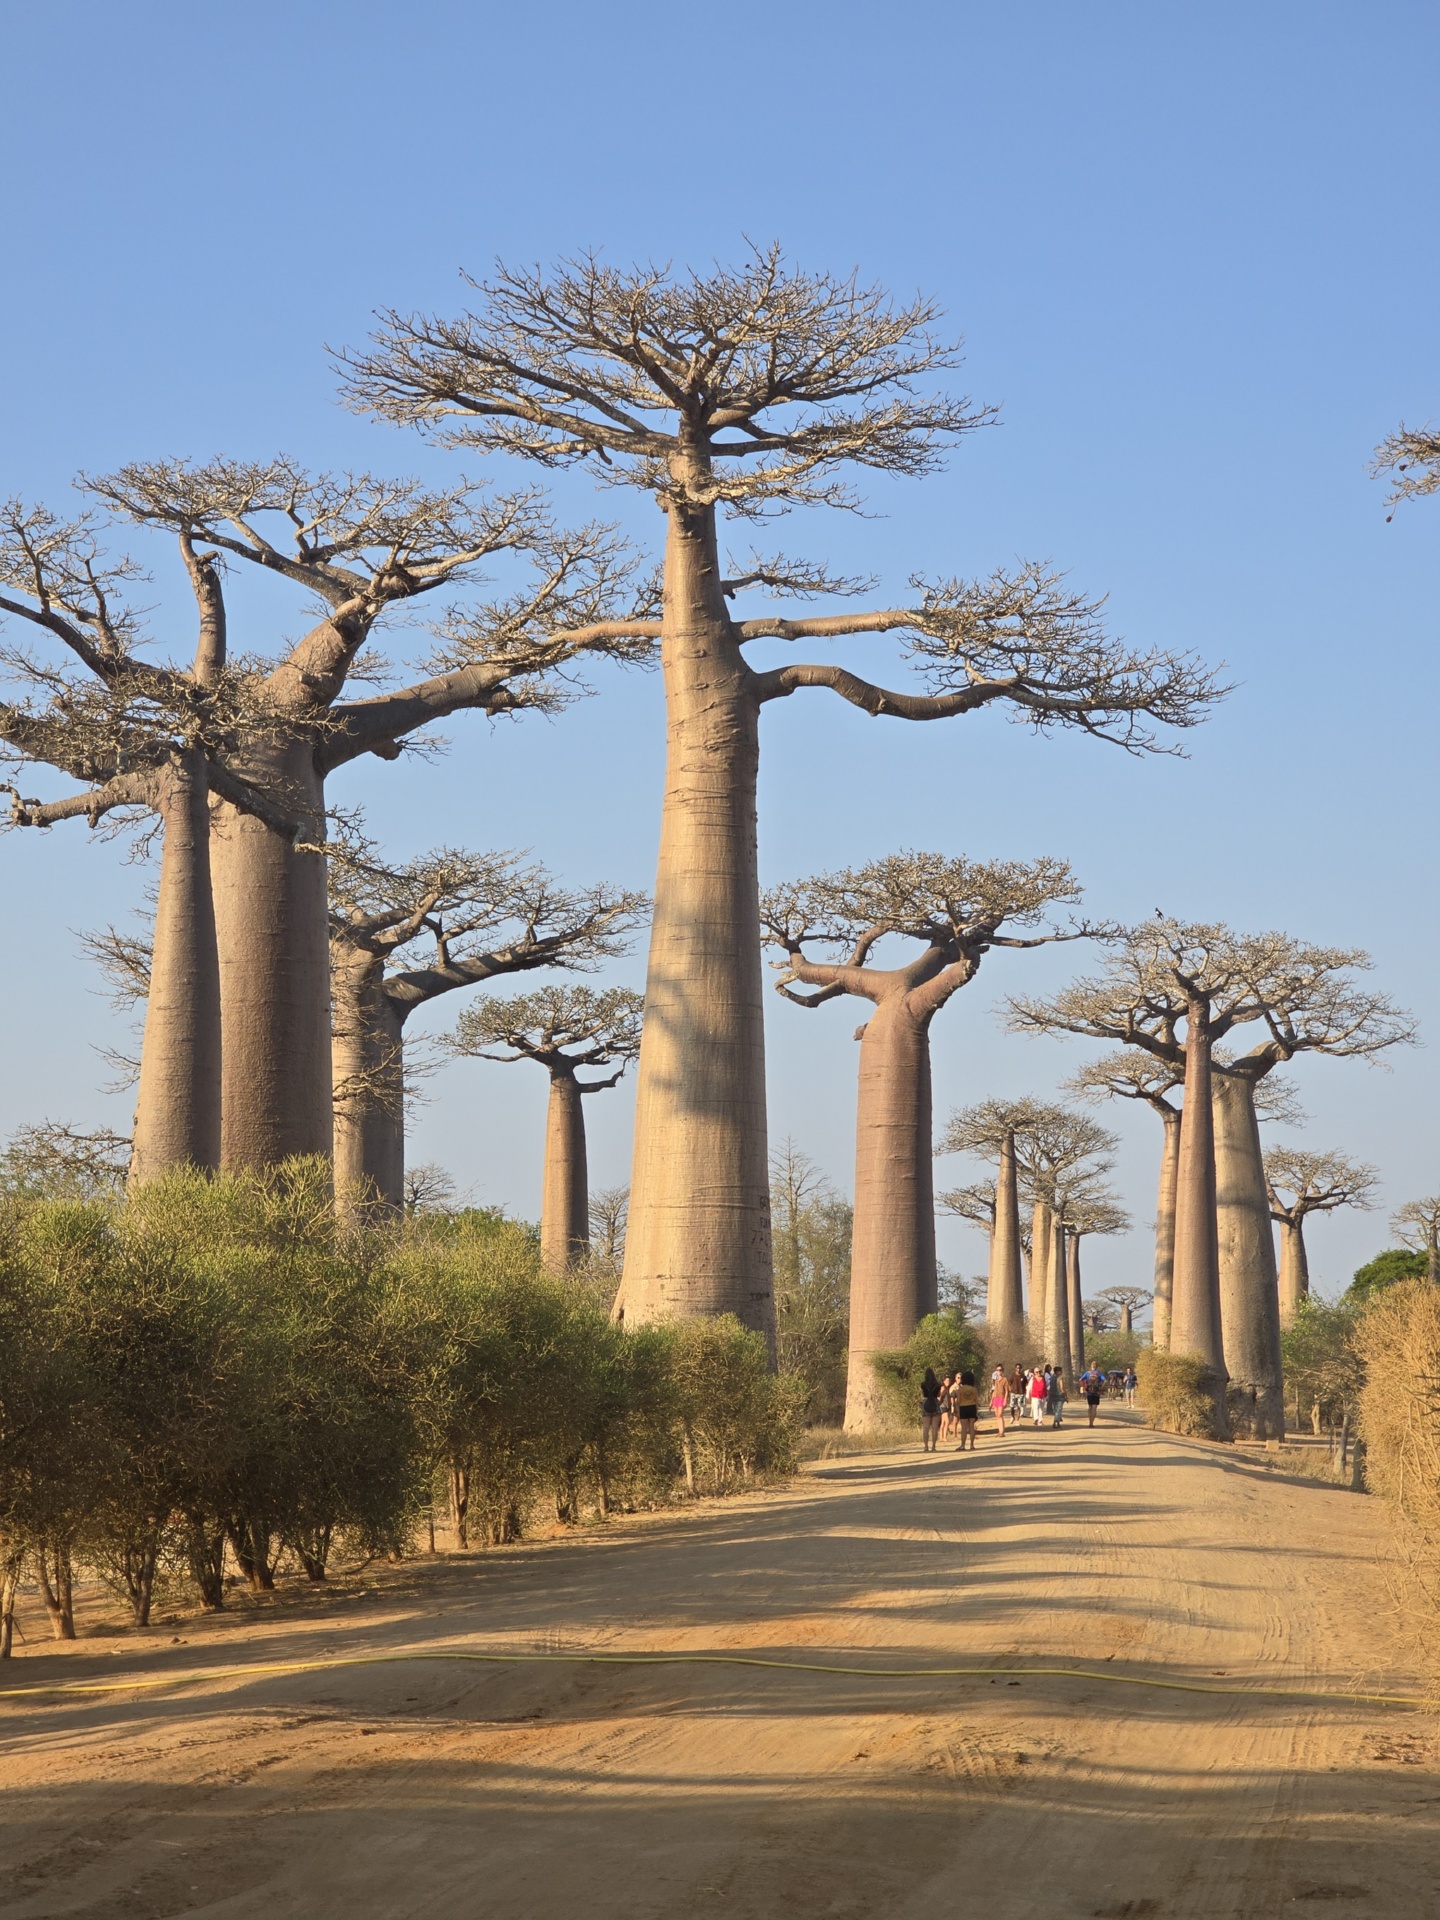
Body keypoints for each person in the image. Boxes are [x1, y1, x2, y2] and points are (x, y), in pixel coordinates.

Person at [953, 1369, 980, 1450]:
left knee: (964, 1428)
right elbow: (976, 1401)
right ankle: (972, 1445)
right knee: (972, 1427)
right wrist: (976, 1411)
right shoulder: (974, 1389)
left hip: (963, 1408)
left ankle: (963, 1445)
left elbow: (958, 1401)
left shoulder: (960, 1389)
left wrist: (957, 1411)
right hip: (972, 1407)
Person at [921, 1368, 943, 1451]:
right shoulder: (938, 1385)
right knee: (934, 1427)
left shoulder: (923, 1384)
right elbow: (938, 1394)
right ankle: (933, 1446)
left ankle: (926, 1446)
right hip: (935, 1404)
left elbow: (923, 1395)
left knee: (925, 1427)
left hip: (926, 1404)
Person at [990, 1366, 1009, 1437]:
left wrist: (1005, 1400)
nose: (999, 1371)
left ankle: (1002, 1432)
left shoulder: (1005, 1380)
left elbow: (1007, 1391)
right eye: (997, 1370)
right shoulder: (996, 1380)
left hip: (1001, 1398)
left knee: (1000, 1415)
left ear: (1002, 1371)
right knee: (997, 1415)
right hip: (996, 1399)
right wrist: (991, 1401)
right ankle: (999, 1431)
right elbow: (994, 1391)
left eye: (1000, 1370)